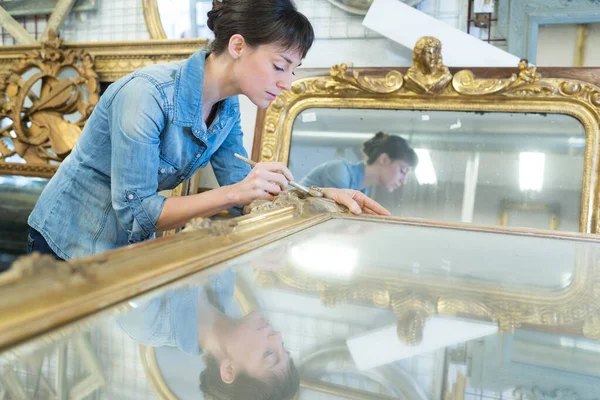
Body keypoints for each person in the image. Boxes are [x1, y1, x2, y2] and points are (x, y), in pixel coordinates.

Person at [26, 0, 389, 261]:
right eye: (280, 65)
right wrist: (236, 192)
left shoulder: (227, 107)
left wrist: (323, 196)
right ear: (237, 46)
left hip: (121, 250)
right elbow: (136, 212)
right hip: (64, 242)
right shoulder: (146, 96)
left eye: (293, 70)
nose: (287, 82)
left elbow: (246, 190)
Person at [118, 269, 298, 399]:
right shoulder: (227, 278)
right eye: (283, 348)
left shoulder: (147, 321)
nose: (278, 337)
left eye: (269, 354)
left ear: (229, 369)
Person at [299, 132, 418, 197]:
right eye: (403, 170)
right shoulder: (340, 171)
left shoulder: (362, 191)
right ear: (384, 159)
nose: (404, 181)